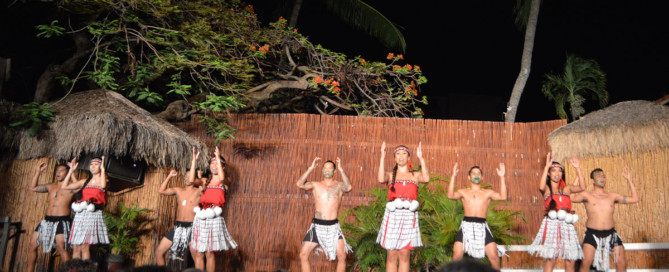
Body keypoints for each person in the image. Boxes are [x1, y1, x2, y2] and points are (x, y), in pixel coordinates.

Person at [572, 166, 639, 272]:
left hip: (611, 234)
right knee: (585, 263)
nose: (602, 178)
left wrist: (629, 180)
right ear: (592, 180)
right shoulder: (587, 195)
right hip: (592, 234)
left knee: (621, 262)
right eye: (599, 176)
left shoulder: (612, 196)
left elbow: (635, 199)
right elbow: (571, 197)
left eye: (603, 176)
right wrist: (577, 173)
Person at [376, 142, 429, 272]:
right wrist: (382, 157)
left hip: (409, 215)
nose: (401, 156)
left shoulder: (415, 175)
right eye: (398, 154)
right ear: (394, 158)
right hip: (393, 215)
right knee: (392, 254)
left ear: (408, 157)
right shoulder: (390, 174)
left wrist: (421, 159)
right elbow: (380, 178)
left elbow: (426, 178)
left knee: (405, 254)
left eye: (404, 154)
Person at [528, 153, 586, 272]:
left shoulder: (567, 189)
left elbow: (582, 187)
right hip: (551, 224)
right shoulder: (547, 189)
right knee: (551, 259)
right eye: (553, 171)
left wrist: (578, 168)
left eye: (559, 171)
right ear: (549, 174)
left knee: (571, 259)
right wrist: (546, 167)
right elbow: (541, 185)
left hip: (567, 225)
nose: (557, 173)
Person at [296, 157, 353, 272]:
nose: (327, 170)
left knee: (342, 256)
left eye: (330, 168)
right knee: (303, 255)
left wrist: (342, 170)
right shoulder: (315, 185)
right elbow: (299, 184)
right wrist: (310, 169)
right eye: (325, 168)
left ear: (334, 171)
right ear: (322, 170)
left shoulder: (339, 185)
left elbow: (348, 187)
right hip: (317, 226)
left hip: (333, 226)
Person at [447, 162, 506, 271]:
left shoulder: (487, 193)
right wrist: (453, 176)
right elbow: (450, 195)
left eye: (478, 173)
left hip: (482, 226)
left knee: (494, 257)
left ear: (482, 177)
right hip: (466, 225)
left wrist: (502, 177)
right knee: (456, 255)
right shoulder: (463, 192)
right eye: (474, 173)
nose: (476, 175)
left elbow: (503, 196)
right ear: (469, 177)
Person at [191, 146, 237, 272]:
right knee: (199, 252)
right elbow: (191, 180)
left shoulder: (225, 181)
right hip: (200, 217)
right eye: (212, 163)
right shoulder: (205, 181)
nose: (214, 165)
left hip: (214, 218)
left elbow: (222, 178)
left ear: (223, 167)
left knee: (209, 253)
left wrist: (217, 156)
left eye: (217, 163)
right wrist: (194, 160)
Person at [155, 148, 203, 265]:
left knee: (197, 255)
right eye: (185, 177)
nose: (187, 179)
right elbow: (162, 190)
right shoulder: (178, 190)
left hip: (192, 227)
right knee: (159, 252)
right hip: (178, 227)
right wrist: (170, 176)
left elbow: (201, 184)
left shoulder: (198, 191)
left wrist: (194, 161)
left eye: (189, 176)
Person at [27, 161, 76, 271]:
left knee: (61, 247)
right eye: (57, 170)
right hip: (47, 220)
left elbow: (80, 190)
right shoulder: (50, 186)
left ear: (67, 172)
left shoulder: (71, 187)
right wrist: (38, 172)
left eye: (61, 171)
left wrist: (72, 171)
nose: (58, 173)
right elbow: (33, 188)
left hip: (62, 220)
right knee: (32, 245)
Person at [63, 156, 110, 260]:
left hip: (92, 214)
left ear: (101, 166)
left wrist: (103, 169)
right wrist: (71, 171)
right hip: (80, 214)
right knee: (75, 246)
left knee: (85, 246)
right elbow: (64, 186)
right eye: (91, 164)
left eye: (96, 164)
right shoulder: (84, 181)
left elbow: (102, 186)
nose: (93, 166)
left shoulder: (105, 180)